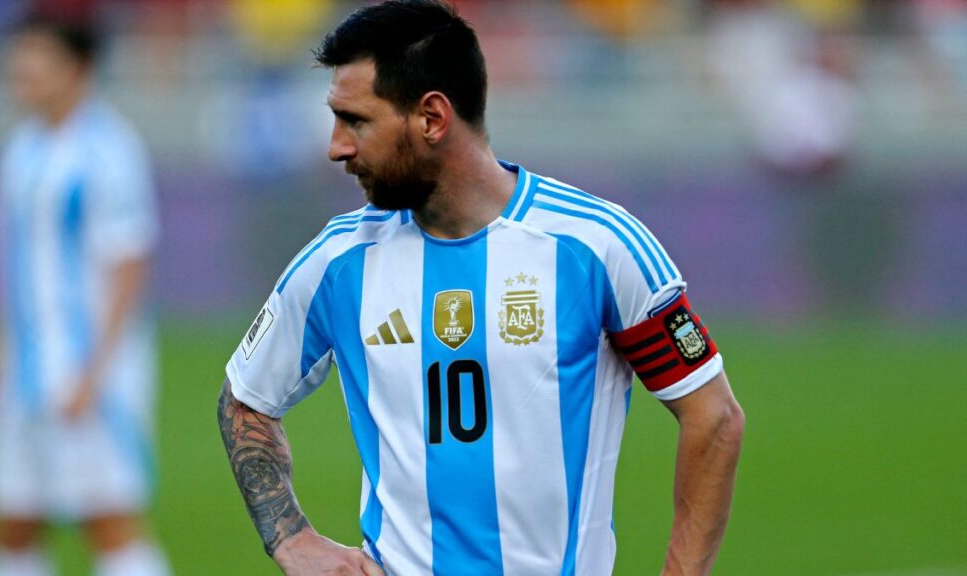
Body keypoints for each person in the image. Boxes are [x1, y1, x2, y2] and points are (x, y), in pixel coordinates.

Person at [217, 1, 745, 575]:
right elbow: (245, 398)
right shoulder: (338, 260)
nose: (336, 146)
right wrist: (291, 539)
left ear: (432, 119)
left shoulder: (596, 246)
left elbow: (712, 416)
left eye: (357, 120)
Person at [0, 13, 169, 576]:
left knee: (108, 522)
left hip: (82, 374)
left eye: (39, 56)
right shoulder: (21, 150)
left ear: (78, 68)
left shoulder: (107, 150)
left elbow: (130, 265)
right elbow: (20, 273)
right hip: (23, 376)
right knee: (12, 524)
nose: (23, 68)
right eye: (20, 54)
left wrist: (96, 372)